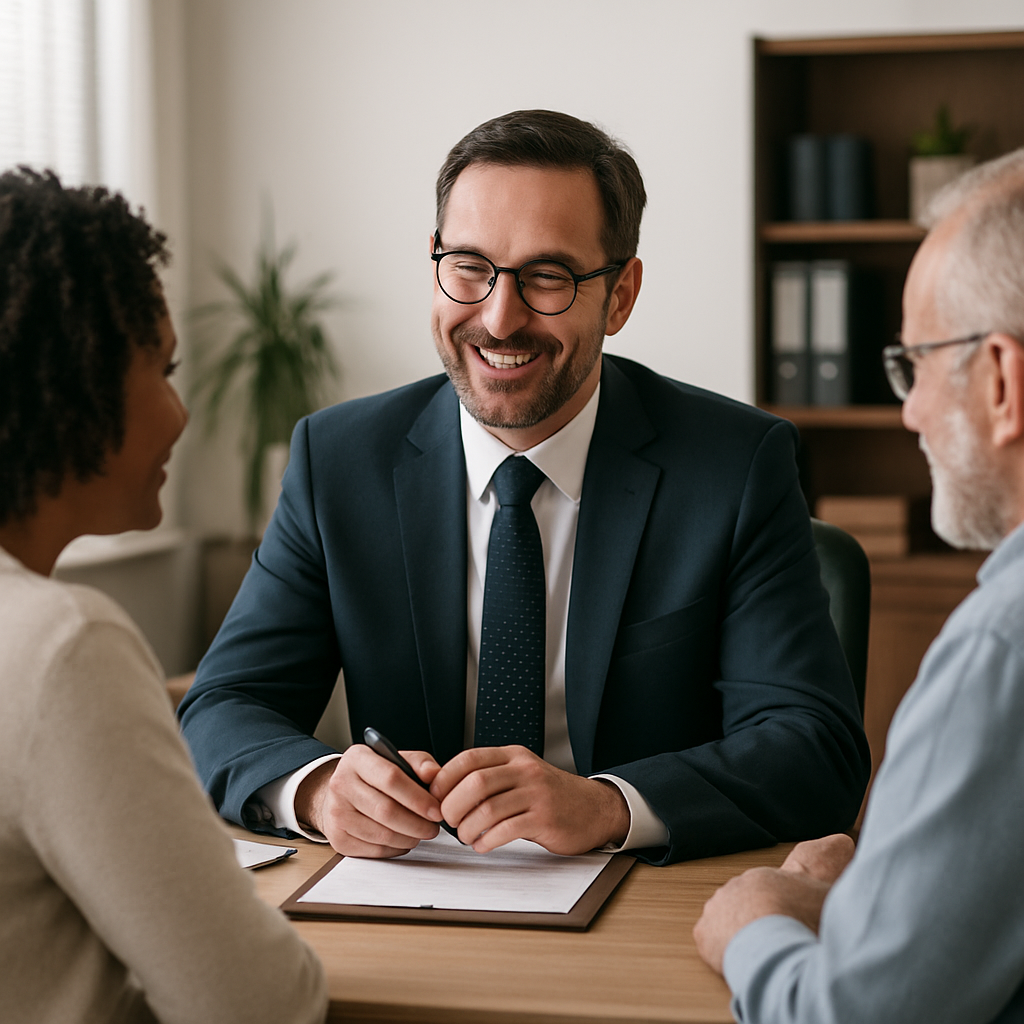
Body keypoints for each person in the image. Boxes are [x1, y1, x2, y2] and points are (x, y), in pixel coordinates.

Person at [180, 109, 869, 867]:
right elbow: (223, 707)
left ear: (620, 295)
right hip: (415, 896)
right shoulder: (340, 461)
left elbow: (815, 749)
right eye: (470, 267)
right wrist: (315, 791)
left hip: (642, 905)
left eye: (548, 277)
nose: (499, 318)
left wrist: (607, 805)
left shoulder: (735, 467)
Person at [693, 148, 1024, 1023]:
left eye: (915, 364)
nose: (907, 411)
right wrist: (885, 899)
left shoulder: (1002, 651)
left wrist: (751, 924)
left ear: (1001, 380)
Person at [0, 167, 327, 1024]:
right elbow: (260, 1006)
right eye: (163, 367)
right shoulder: (60, 645)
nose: (182, 415)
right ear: (76, 379)